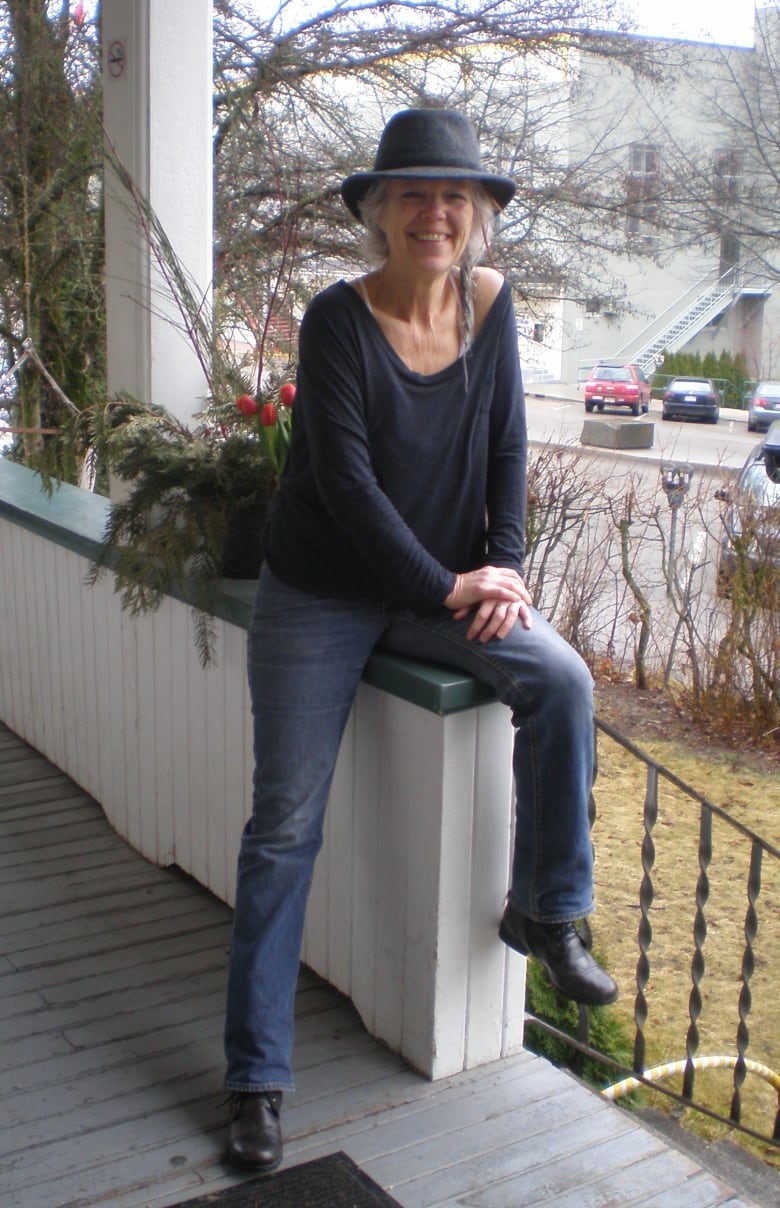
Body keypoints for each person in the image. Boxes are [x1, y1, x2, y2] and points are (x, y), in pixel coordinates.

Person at [223, 107, 618, 1173]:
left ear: (478, 216)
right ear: (379, 213)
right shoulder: (336, 319)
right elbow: (345, 488)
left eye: (455, 196)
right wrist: (451, 584)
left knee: (563, 680)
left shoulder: (491, 307)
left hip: (438, 588)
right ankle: (257, 1075)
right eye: (414, 194)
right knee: (283, 825)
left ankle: (545, 909)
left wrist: (509, 567)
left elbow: (506, 452)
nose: (435, 212)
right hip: (321, 595)